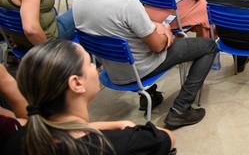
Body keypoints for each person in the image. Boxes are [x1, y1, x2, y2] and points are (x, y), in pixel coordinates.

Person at [74, 0, 218, 128]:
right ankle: (181, 109)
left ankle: (150, 96)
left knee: (131, 39)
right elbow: (158, 46)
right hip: (139, 68)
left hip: (112, 70)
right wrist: (166, 32)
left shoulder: (78, 1)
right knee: (209, 47)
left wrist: (154, 25)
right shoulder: (126, 3)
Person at [4, 40, 175, 155]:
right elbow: (167, 139)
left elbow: (65, 129)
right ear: (76, 83)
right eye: (89, 63)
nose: (95, 66)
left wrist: (114, 124)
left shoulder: (15, 141)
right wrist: (129, 127)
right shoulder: (120, 143)